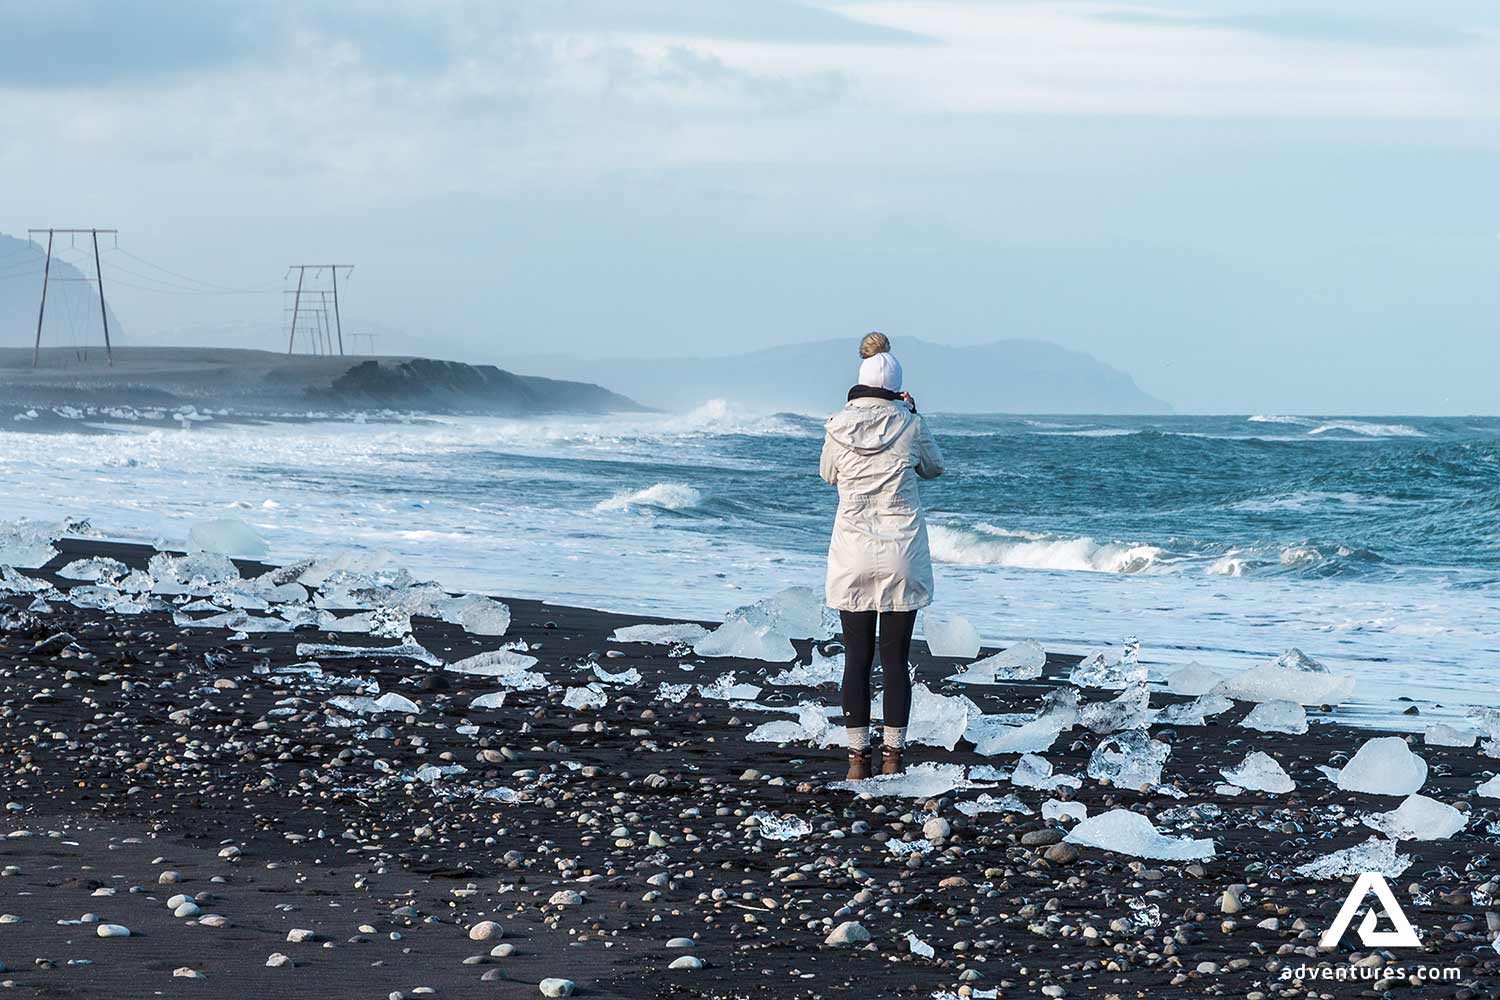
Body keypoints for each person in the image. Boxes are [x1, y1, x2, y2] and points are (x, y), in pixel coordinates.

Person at [820, 332, 945, 779]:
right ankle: (893, 759)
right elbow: (933, 468)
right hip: (901, 553)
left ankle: (856, 762)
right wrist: (913, 412)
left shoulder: (837, 424)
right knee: (894, 660)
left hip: (853, 552)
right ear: (896, 386)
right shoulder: (910, 423)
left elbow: (827, 475)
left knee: (856, 658)